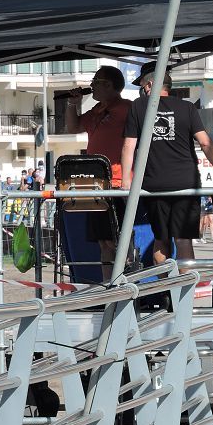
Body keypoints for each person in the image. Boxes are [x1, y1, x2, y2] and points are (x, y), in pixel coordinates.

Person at [121, 63, 213, 264]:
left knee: (161, 240)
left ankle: (165, 291)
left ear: (150, 85)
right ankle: (184, 294)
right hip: (186, 183)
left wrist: (125, 181)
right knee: (184, 241)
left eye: (142, 85)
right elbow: (205, 143)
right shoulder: (187, 107)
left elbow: (128, 146)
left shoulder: (138, 106)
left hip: (154, 184)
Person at [64, 65, 131, 280]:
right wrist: (72, 104)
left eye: (96, 82)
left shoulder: (127, 109)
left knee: (119, 239)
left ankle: (127, 284)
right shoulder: (95, 112)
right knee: (103, 241)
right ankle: (109, 288)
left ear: (109, 85)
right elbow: (73, 127)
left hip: (119, 183)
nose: (91, 86)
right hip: (95, 184)